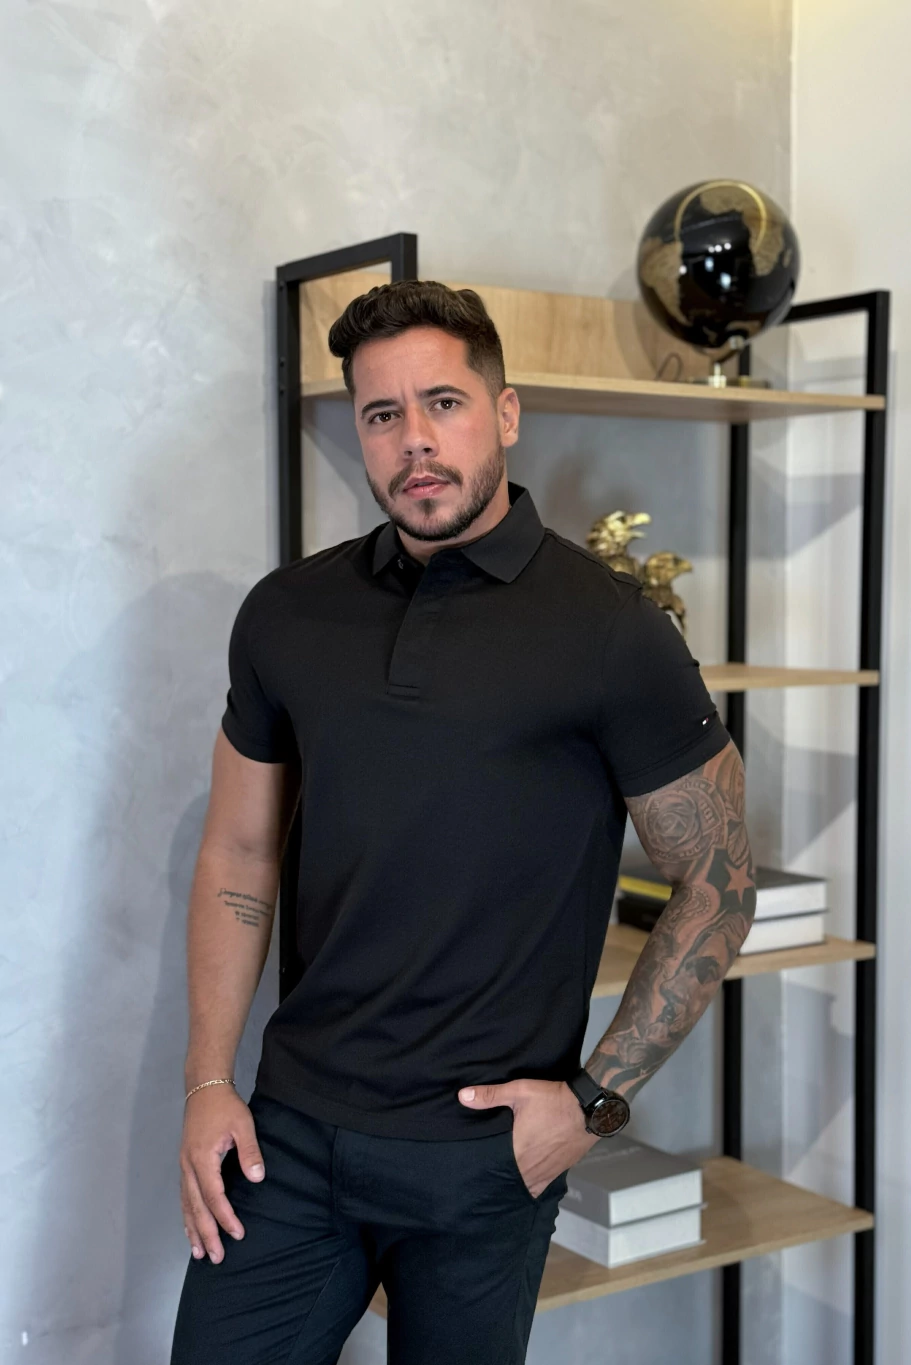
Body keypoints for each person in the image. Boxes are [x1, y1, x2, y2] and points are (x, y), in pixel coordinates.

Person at [170, 280, 756, 1364]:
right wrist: (209, 1081)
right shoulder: (289, 612)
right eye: (382, 413)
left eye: (443, 402)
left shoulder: (612, 631)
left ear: (505, 412)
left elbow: (719, 882)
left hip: (482, 1157)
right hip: (289, 1136)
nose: (415, 441)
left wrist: (592, 1104)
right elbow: (240, 853)